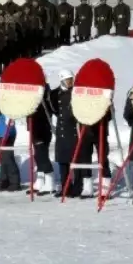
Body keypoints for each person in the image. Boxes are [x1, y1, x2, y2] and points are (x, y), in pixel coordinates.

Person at [52, 69, 88, 198]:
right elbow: (54, 109)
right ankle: (65, 187)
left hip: (73, 131)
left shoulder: (76, 93)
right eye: (68, 80)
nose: (70, 82)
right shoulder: (55, 94)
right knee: (63, 162)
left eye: (71, 80)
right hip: (62, 131)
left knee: (75, 161)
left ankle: (77, 187)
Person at [0, 105, 22, 192]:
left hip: (8, 133)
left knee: (8, 158)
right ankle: (4, 181)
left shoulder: (9, 101)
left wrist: (8, 132)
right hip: (1, 133)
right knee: (2, 159)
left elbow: (11, 118)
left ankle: (15, 182)